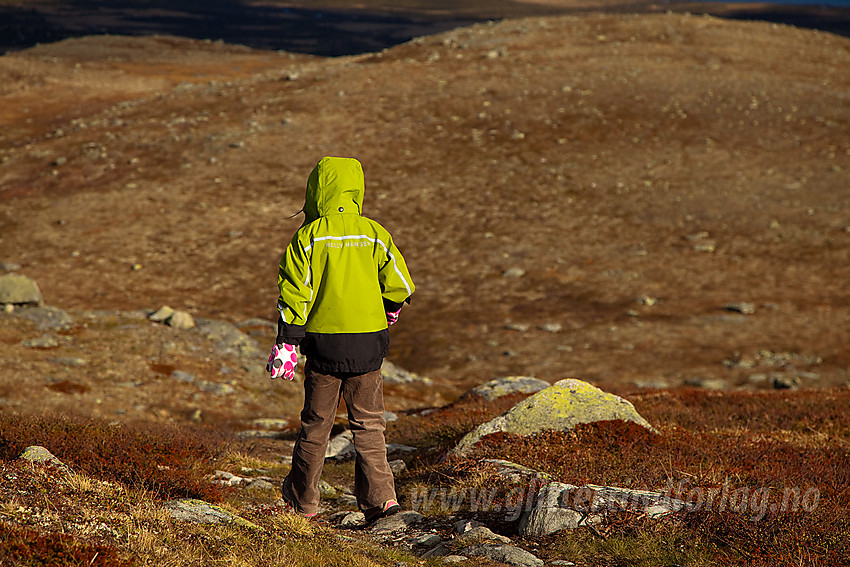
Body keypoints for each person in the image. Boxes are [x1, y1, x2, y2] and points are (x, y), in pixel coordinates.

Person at [267, 156, 414, 521]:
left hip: (323, 345)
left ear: (316, 191)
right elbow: (399, 284)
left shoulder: (308, 237)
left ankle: (302, 504)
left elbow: (295, 294)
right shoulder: (374, 233)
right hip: (368, 343)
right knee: (369, 424)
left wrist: (288, 341)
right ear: (356, 189)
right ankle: (382, 501)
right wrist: (389, 310)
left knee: (316, 425)